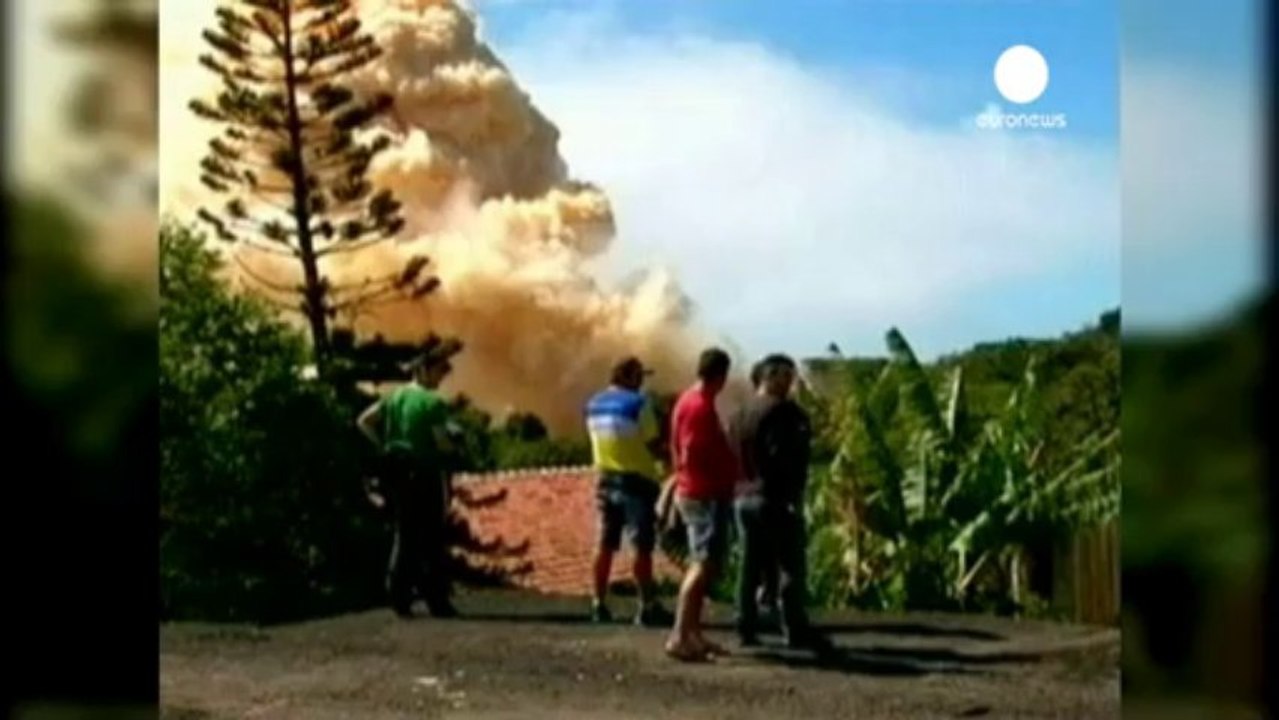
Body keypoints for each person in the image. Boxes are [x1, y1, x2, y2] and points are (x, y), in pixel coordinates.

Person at [733, 354, 831, 651]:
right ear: (770, 376)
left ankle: (744, 625)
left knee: (749, 566)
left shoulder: (740, 414)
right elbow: (786, 458)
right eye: (787, 375)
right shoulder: (784, 414)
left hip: (743, 496)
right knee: (790, 566)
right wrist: (791, 495)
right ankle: (795, 628)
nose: (791, 382)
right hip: (775, 498)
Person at [357, 354, 459, 619]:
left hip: (397, 474)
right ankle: (437, 600)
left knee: (405, 535)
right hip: (424, 473)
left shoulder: (395, 397)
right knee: (432, 538)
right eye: (439, 372)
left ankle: (398, 597)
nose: (441, 377)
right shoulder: (433, 403)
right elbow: (441, 442)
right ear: (423, 371)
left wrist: (383, 445)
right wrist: (454, 444)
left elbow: (364, 421)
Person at [584, 357, 674, 627]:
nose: (642, 382)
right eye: (640, 377)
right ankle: (646, 606)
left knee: (603, 544)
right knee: (640, 545)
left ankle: (598, 603)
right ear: (631, 377)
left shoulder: (593, 405)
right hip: (636, 481)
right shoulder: (638, 404)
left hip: (604, 478)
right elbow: (654, 444)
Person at [665, 347, 740, 661]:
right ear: (721, 376)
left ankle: (693, 633)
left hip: (695, 490)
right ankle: (680, 636)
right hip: (703, 495)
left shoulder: (687, 401)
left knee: (705, 564)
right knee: (701, 564)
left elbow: (674, 447)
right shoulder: (699, 407)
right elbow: (692, 450)